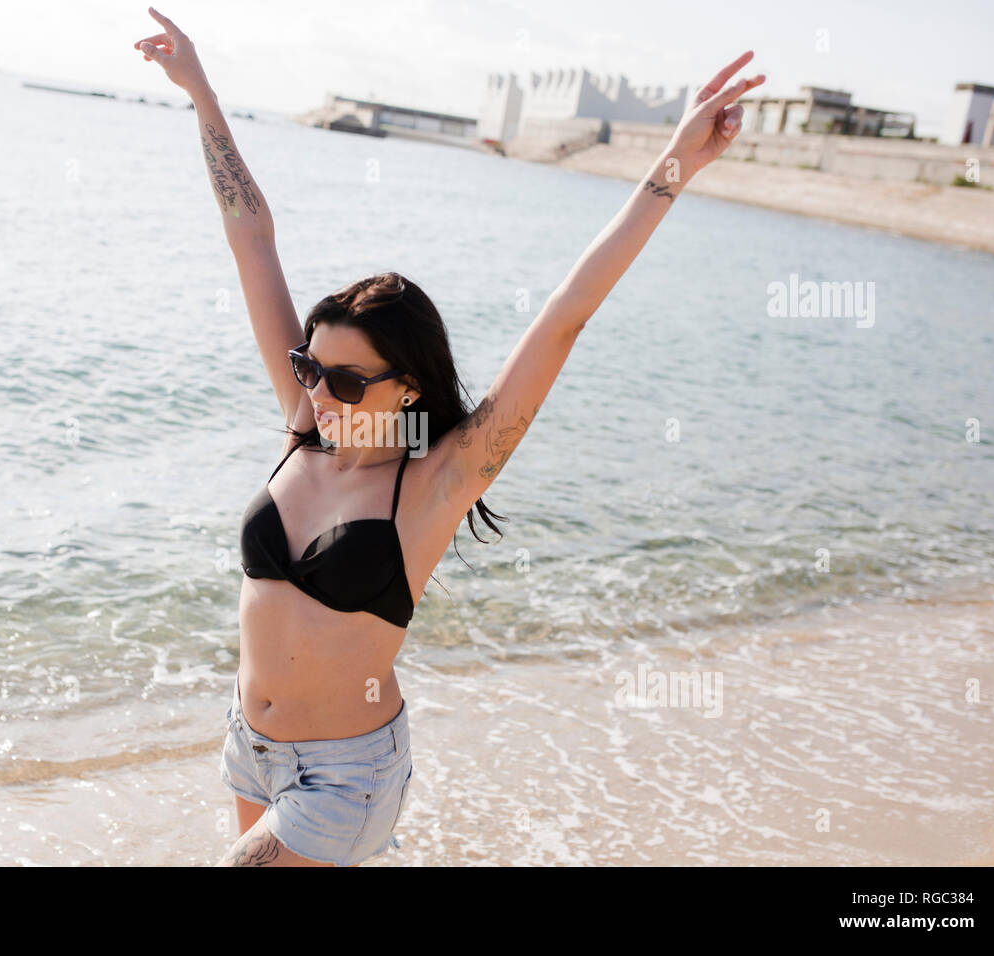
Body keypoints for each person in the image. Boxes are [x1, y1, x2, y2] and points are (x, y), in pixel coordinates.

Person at [133, 8, 764, 867]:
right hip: (250, 745)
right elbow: (251, 235)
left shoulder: (439, 479)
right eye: (307, 367)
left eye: (345, 381)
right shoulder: (305, 424)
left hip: (342, 776)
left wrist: (673, 168)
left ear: (410, 390)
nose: (316, 391)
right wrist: (202, 93)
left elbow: (564, 318)